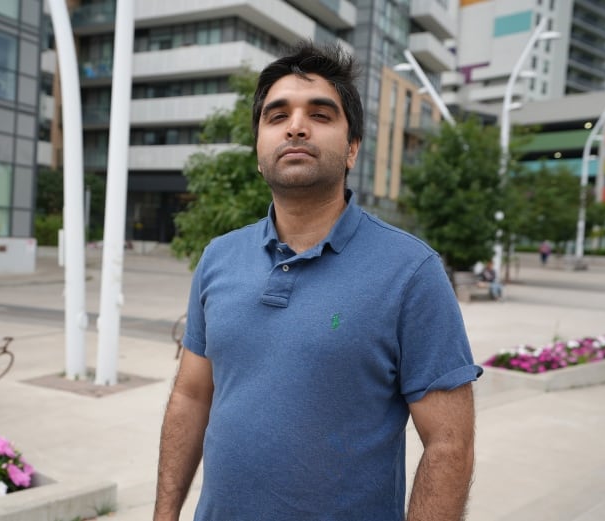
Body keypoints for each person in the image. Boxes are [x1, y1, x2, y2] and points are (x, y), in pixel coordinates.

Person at [154, 41, 482, 521]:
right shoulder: (218, 257)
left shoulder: (411, 272)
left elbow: (450, 445)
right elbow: (191, 396)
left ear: (352, 149)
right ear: (258, 150)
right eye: (276, 115)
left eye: (321, 114)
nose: (296, 126)